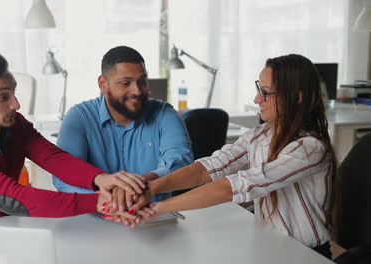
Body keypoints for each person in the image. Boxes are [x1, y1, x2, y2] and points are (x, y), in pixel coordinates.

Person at [126, 54, 338, 259]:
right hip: (270, 247)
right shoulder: (260, 135)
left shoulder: (309, 148)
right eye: (258, 89)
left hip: (305, 255)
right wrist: (153, 187)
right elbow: (210, 167)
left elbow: (237, 186)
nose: (257, 99)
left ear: (297, 97)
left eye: (266, 92)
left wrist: (157, 208)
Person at [0, 50, 145, 222]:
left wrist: (101, 179)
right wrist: (98, 202)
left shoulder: (16, 125)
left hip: (9, 227)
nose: (16, 104)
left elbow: (54, 158)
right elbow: (13, 199)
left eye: (14, 92)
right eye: (3, 97)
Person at [52, 46, 193, 221]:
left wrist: (138, 185)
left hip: (156, 222)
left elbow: (182, 164)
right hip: (94, 224)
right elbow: (64, 179)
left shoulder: (165, 114)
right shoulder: (78, 117)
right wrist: (109, 199)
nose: (138, 91)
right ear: (103, 84)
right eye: (126, 83)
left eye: (142, 81)